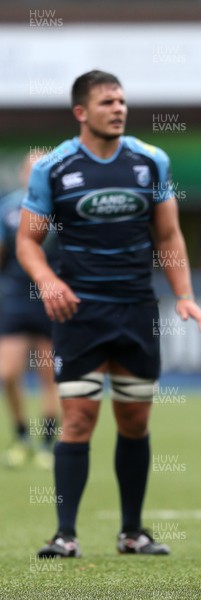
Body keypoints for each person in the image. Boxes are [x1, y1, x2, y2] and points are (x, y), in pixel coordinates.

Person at [17, 70, 201, 558]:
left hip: (136, 310)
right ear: (81, 112)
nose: (119, 109)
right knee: (79, 419)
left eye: (122, 101)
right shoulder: (54, 168)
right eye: (107, 102)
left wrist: (184, 294)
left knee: (134, 420)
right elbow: (27, 241)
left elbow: (168, 237)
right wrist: (47, 279)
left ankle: (132, 532)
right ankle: (65, 534)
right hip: (79, 312)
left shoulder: (151, 161)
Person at [0, 152, 59, 470]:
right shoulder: (9, 207)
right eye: (31, 170)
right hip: (16, 297)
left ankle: (47, 444)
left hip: (52, 299)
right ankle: (22, 436)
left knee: (50, 377)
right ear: (23, 174)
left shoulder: (63, 207)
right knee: (7, 373)